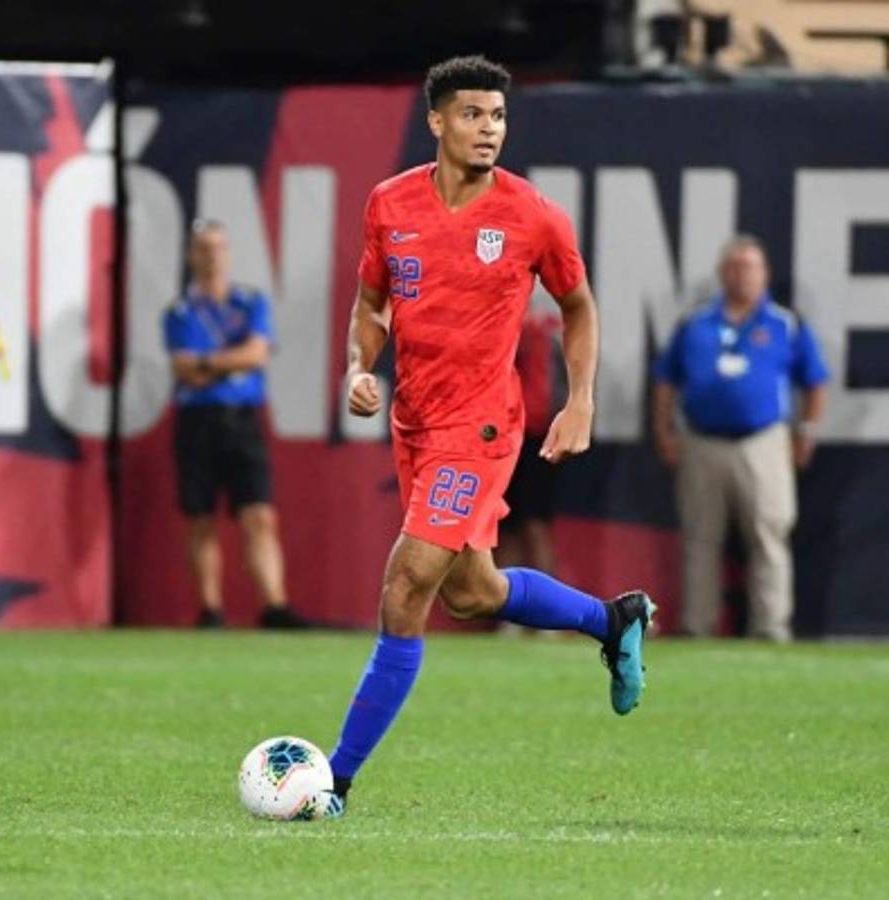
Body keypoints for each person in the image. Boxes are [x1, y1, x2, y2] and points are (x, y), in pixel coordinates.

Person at [320, 55, 656, 820]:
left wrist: (580, 401)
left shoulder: (532, 215)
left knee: (406, 587)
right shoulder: (390, 203)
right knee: (472, 593)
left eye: (498, 116)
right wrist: (358, 367)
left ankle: (333, 783)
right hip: (414, 423)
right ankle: (613, 621)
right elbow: (371, 304)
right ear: (436, 121)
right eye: (473, 114)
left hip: (480, 427)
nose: (489, 129)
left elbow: (578, 306)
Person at [652, 234, 829, 641]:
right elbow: (666, 380)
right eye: (734, 266)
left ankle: (771, 626)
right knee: (700, 538)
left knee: (769, 534)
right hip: (702, 440)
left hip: (763, 440)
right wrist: (664, 429)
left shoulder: (784, 323)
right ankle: (697, 624)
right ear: (721, 273)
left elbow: (815, 380)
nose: (741, 274)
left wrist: (807, 430)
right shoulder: (695, 322)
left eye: (749, 266)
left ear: (764, 274)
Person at [163, 220, 306, 630]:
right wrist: (231, 361)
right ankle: (210, 609)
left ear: (228, 253)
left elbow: (256, 354)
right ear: (191, 255)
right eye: (204, 248)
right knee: (201, 517)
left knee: (259, 514)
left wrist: (209, 362)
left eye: (219, 247)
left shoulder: (249, 302)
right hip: (197, 421)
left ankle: (274, 605)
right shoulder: (180, 312)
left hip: (242, 420)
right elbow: (185, 370)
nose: (212, 256)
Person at [495, 306, 565, 634]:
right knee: (504, 528)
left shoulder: (544, 328)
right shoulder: (504, 321)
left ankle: (547, 617)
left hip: (536, 436)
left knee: (535, 527)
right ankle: (509, 614)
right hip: (500, 435)